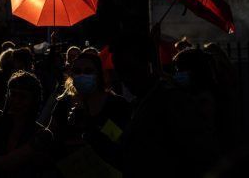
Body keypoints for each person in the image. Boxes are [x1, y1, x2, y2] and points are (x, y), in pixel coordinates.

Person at [108, 32, 218, 178]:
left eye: (129, 70)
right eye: (119, 72)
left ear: (147, 65)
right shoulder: (141, 102)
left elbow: (199, 154)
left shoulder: (171, 101)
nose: (124, 79)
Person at [49, 52, 131, 177]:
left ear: (100, 75)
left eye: (88, 71)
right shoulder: (63, 105)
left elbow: (123, 140)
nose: (82, 75)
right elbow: (52, 138)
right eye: (77, 71)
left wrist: (96, 124)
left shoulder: (116, 105)